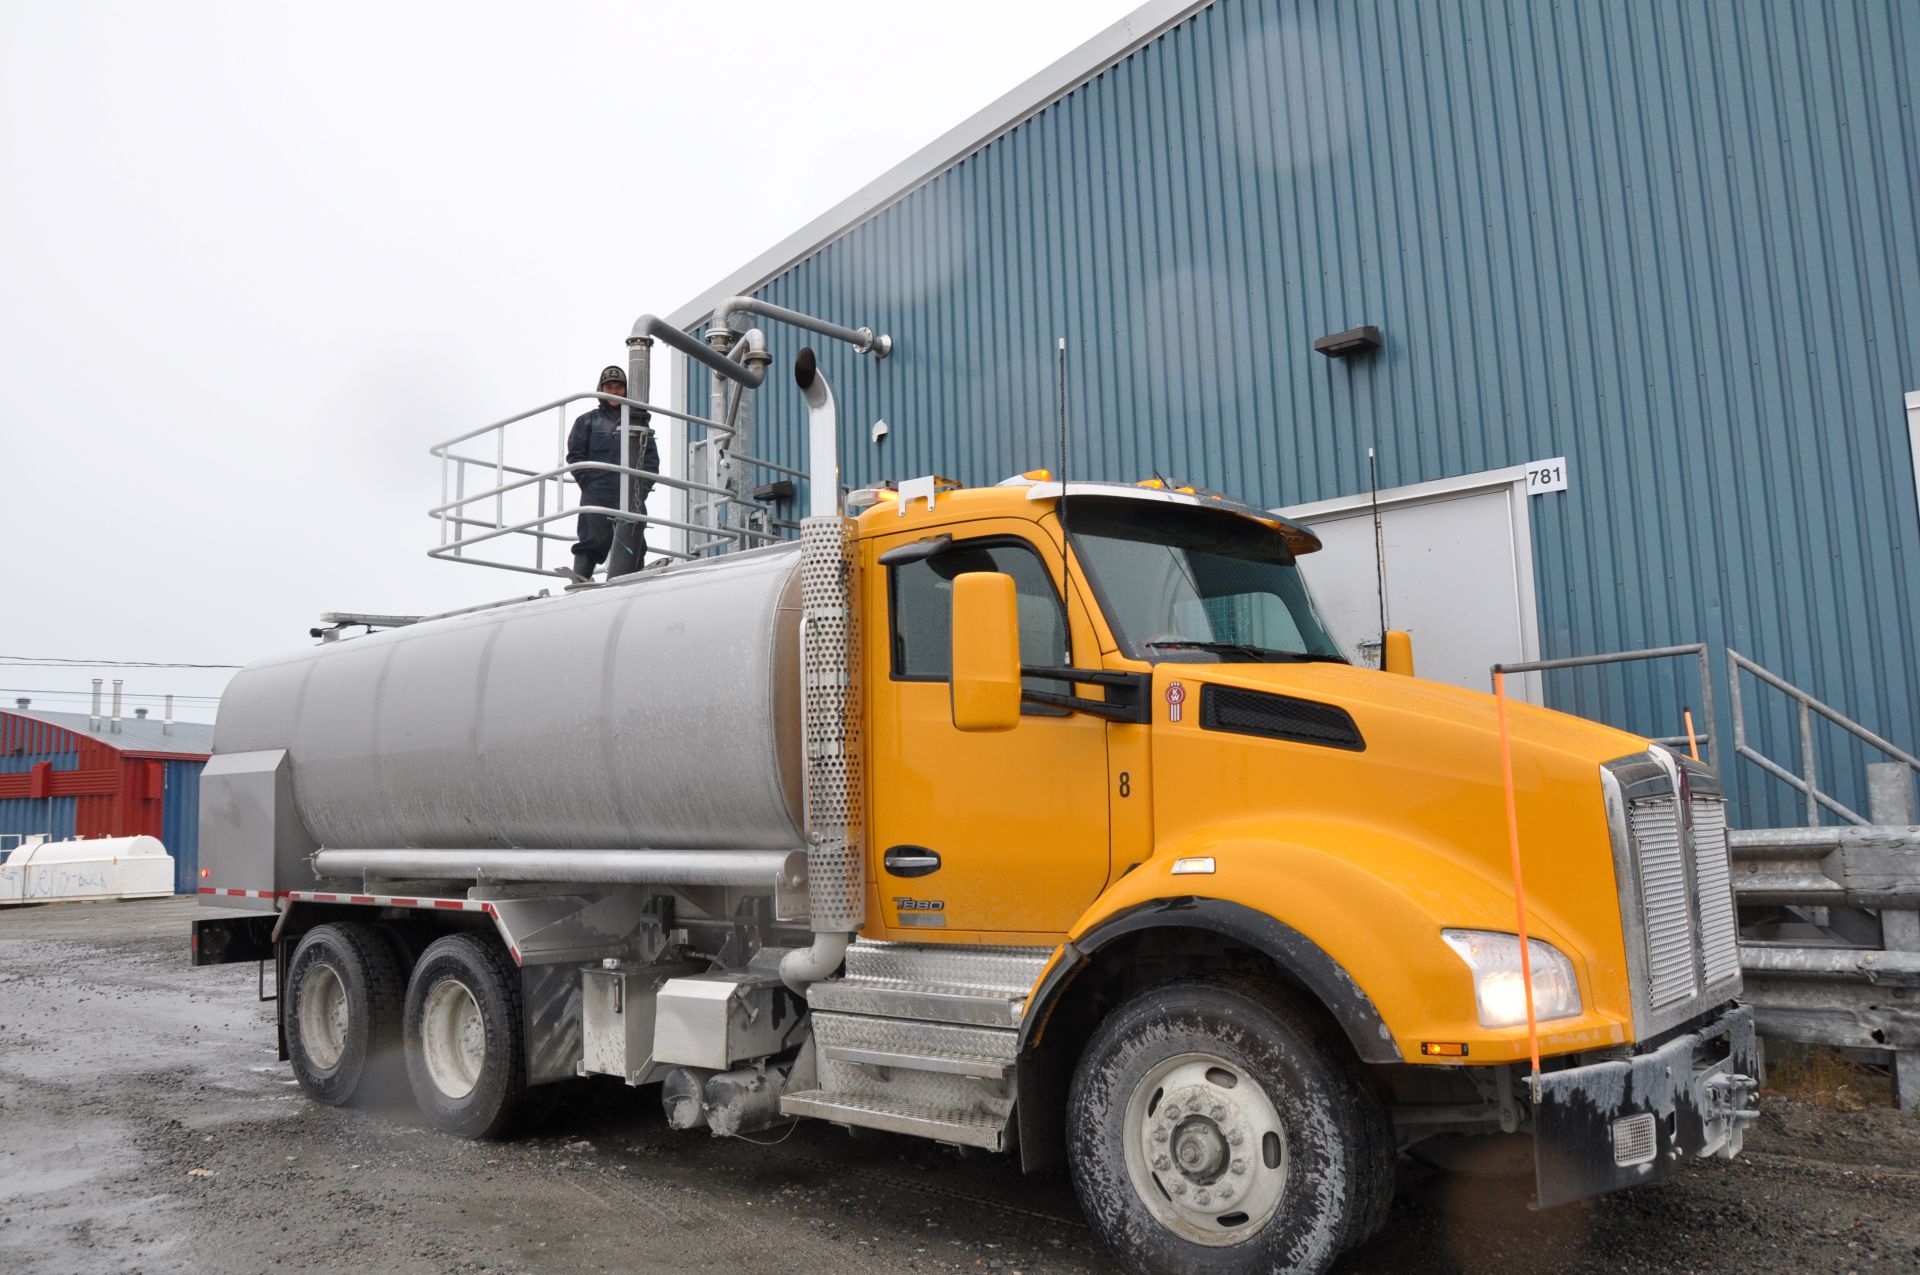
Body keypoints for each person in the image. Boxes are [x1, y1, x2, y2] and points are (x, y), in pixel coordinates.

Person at [566, 364, 659, 582]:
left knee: (635, 541)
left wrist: (641, 489)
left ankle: (634, 584)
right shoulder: (586, 421)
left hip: (631, 491)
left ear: (625, 391)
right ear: (601, 389)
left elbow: (651, 461)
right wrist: (589, 483)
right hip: (597, 490)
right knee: (592, 539)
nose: (614, 392)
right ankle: (579, 581)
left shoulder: (638, 422)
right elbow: (575, 457)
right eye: (609, 387)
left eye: (619, 387)